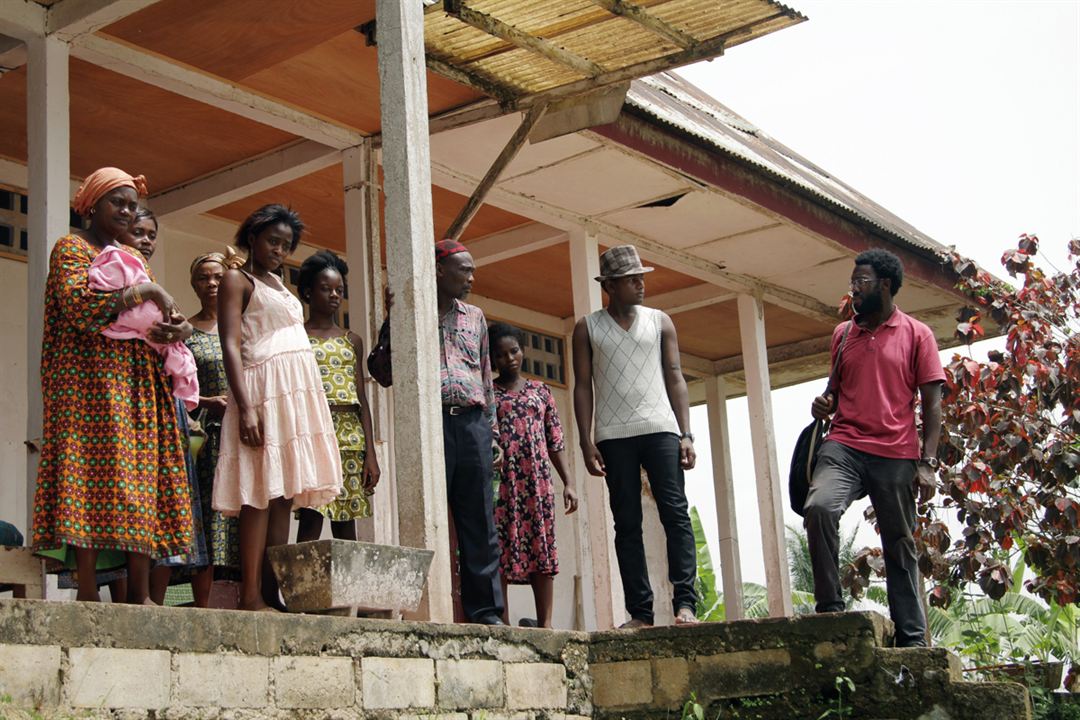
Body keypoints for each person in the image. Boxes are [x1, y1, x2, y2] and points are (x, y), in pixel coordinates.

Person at [32, 167, 194, 604]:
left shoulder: (135, 257)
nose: (126, 211)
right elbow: (79, 307)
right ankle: (87, 591)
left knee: (138, 482)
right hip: (86, 385)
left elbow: (157, 312)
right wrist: (147, 293)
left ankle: (140, 594)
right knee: (85, 476)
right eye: (116, 202)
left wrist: (175, 328)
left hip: (138, 385)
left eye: (131, 205)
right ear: (91, 205)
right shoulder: (71, 248)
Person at [804, 248, 944, 648]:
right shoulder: (843, 333)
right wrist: (822, 403)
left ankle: (913, 639)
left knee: (899, 542)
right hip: (844, 444)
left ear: (884, 285)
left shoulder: (918, 334)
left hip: (896, 452)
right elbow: (833, 392)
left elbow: (933, 405)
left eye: (860, 282)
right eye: (852, 282)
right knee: (819, 508)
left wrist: (927, 463)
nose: (853, 290)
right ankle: (830, 609)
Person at [211, 204, 342, 612]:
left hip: (294, 398)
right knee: (257, 494)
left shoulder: (280, 284)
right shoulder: (238, 278)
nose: (279, 250)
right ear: (252, 237)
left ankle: (273, 593)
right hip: (262, 392)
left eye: (286, 245)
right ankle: (249, 594)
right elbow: (230, 343)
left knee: (282, 494)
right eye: (273, 241)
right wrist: (246, 407)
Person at [572, 244, 699, 628]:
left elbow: (675, 376)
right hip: (613, 435)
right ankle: (640, 613)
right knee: (626, 524)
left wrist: (687, 433)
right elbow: (581, 386)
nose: (641, 284)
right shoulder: (588, 327)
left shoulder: (660, 321)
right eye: (632, 279)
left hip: (661, 429)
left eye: (641, 276)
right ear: (610, 285)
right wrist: (585, 439)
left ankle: (685, 604)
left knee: (675, 514)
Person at [489, 322, 577, 628]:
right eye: (501, 354)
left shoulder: (541, 392)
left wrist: (568, 483)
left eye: (513, 351)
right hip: (504, 485)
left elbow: (555, 441)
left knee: (541, 548)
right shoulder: (490, 394)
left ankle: (546, 624)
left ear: (522, 351)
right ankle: (503, 621)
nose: (509, 358)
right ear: (493, 359)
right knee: (501, 550)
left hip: (537, 484)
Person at [435, 239, 505, 625]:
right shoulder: (414, 311)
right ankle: (434, 606)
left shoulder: (475, 317)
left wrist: (491, 433)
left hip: (474, 424)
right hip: (433, 422)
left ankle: (486, 613)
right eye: (465, 270)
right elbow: (384, 370)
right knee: (431, 517)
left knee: (480, 520)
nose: (471, 278)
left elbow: (485, 376)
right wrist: (395, 316)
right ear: (441, 271)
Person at [294, 250, 381, 543]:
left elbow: (361, 397)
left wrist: (370, 452)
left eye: (339, 290)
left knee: (347, 522)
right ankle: (301, 588)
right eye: (326, 288)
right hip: (314, 432)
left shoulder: (351, 340)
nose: (334, 295)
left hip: (350, 437)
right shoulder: (296, 337)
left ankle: (349, 588)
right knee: (311, 518)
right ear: (307, 292)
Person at [185, 250, 242, 605]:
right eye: (204, 277)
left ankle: (244, 598)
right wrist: (208, 402)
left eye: (218, 277)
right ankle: (202, 604)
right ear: (193, 284)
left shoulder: (242, 326)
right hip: (205, 437)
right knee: (205, 517)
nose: (211, 284)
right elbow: (175, 386)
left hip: (241, 432)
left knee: (242, 515)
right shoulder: (185, 331)